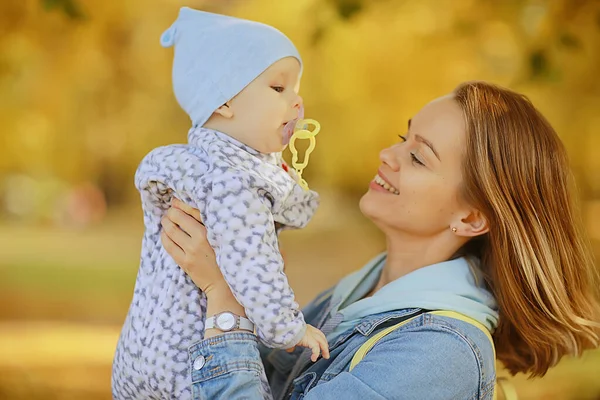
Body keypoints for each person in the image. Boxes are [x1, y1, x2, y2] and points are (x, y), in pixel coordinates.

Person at [160, 81, 600, 399]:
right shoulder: (356, 295)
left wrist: (225, 304)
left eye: (417, 157)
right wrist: (242, 259)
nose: (387, 156)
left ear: (471, 217)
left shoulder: (439, 352)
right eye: (400, 139)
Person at [112, 8, 328, 400]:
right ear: (224, 101)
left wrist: (279, 177)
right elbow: (253, 264)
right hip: (194, 361)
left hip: (138, 352)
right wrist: (288, 328)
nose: (296, 104)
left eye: (297, 91)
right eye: (279, 89)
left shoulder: (186, 164)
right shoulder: (235, 182)